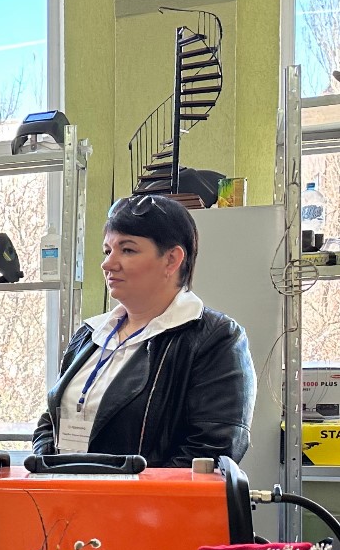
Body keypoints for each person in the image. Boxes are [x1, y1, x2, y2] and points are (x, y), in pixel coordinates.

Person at [33, 193, 255, 466]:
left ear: (172, 259)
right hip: (63, 490)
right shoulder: (89, 334)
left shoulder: (215, 339)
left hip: (143, 496)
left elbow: (210, 452)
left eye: (127, 250)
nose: (107, 264)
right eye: (107, 251)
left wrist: (122, 489)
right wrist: (49, 470)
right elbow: (50, 420)